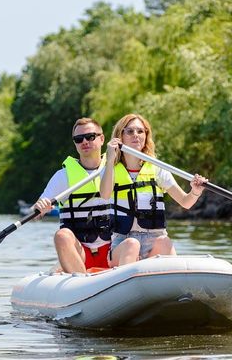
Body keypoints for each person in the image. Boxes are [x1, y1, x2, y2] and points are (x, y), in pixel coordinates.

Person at [99, 113, 207, 267]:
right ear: (120, 136)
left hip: (154, 239)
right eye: (129, 131)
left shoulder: (157, 169)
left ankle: (174, 287)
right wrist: (110, 160)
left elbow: (185, 202)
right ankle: (127, 285)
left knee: (164, 241)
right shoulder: (110, 169)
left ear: (146, 136)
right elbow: (104, 194)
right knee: (132, 244)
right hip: (123, 241)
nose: (135, 135)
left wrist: (196, 191)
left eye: (140, 131)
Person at [33, 118, 111, 273]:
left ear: (102, 139)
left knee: (132, 242)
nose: (84, 142)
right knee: (62, 235)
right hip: (80, 252)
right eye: (78, 139)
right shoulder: (63, 176)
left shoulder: (116, 170)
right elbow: (35, 211)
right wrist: (38, 208)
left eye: (90, 137)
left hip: (113, 249)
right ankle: (81, 283)